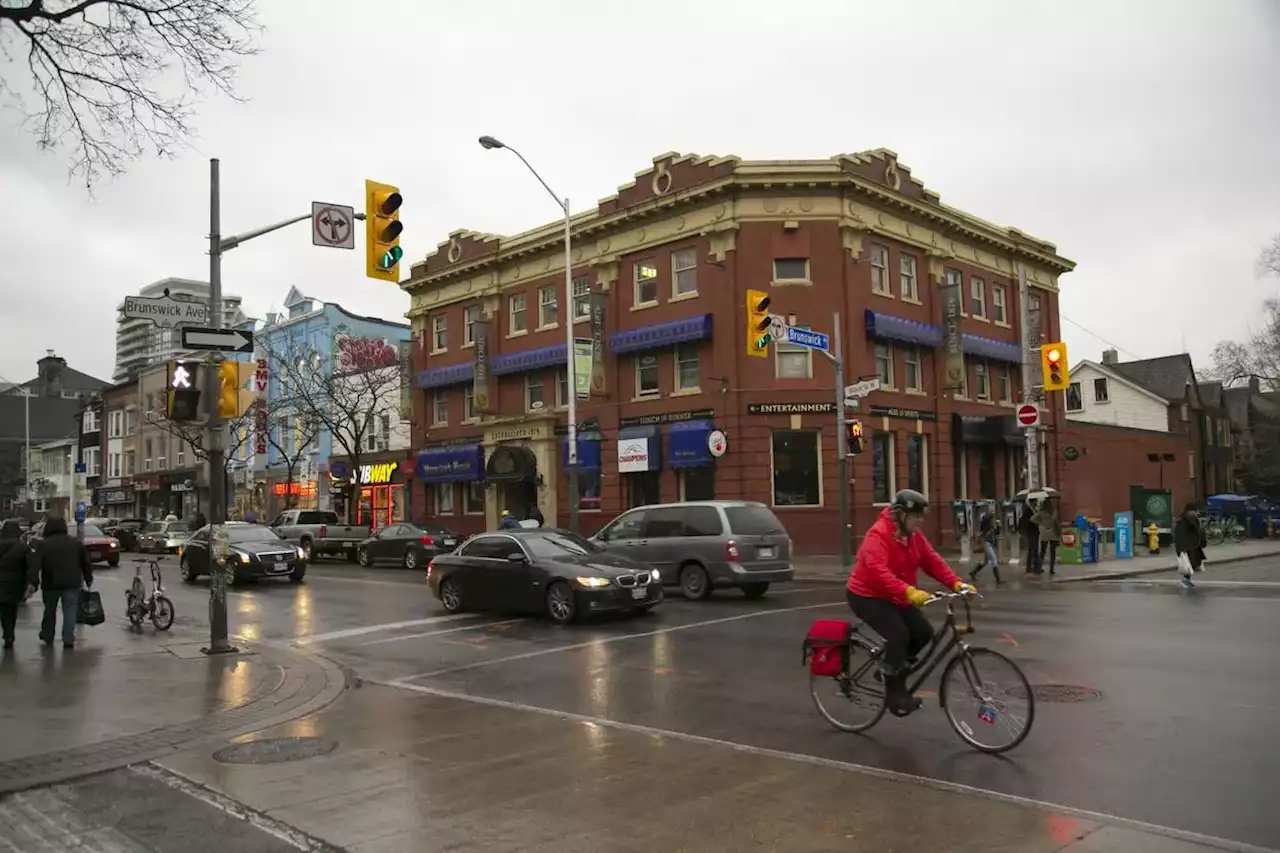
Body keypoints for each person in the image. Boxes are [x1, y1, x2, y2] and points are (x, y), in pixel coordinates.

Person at [846, 489, 976, 716]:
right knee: (898, 634)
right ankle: (895, 693)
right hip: (867, 595)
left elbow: (931, 560)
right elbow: (877, 572)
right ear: (901, 515)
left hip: (896, 595)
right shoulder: (878, 535)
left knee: (923, 632)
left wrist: (956, 583)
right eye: (916, 516)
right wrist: (909, 591)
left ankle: (891, 666)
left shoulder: (913, 536)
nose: (920, 521)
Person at [31, 516, 93, 649]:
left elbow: (35, 565)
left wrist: (33, 581)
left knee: (50, 610)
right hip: (72, 582)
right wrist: (88, 578)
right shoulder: (75, 543)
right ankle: (68, 638)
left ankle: (48, 634)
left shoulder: (44, 544)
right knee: (70, 611)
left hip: (50, 583)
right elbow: (85, 563)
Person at [0, 520, 36, 650]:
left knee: (4, 610)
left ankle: (7, 633)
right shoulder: (23, 548)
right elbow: (30, 567)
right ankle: (9, 634)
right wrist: (33, 582)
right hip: (16, 584)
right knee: (12, 608)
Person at [1174, 502, 1207, 589]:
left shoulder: (1193, 520)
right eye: (1194, 511)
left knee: (1192, 564)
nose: (1195, 513)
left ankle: (1187, 580)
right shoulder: (1182, 522)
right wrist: (1181, 549)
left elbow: (1199, 532)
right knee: (1187, 564)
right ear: (1188, 511)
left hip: (1194, 545)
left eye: (1196, 511)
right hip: (1187, 546)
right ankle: (1186, 581)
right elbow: (1180, 535)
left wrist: (1202, 542)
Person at [969, 509, 1002, 586]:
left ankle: (973, 573)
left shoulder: (992, 525)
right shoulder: (986, 526)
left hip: (990, 543)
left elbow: (996, 533)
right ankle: (998, 579)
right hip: (987, 543)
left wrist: (998, 526)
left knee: (985, 562)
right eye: (992, 517)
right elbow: (986, 530)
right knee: (994, 560)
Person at [1034, 500, 1060, 576]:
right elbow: (1056, 522)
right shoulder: (1054, 512)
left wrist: (1040, 524)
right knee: (1053, 552)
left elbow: (1033, 519)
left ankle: (1039, 568)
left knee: (1042, 551)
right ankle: (1051, 569)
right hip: (1053, 533)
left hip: (1045, 533)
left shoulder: (1041, 513)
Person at [1020, 501, 1042, 576]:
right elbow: (1029, 521)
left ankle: (1036, 567)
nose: (1036, 503)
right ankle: (1029, 568)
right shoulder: (1028, 510)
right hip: (1031, 532)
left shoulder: (1034, 510)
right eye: (1035, 501)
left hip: (1035, 532)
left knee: (1035, 549)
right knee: (1031, 549)